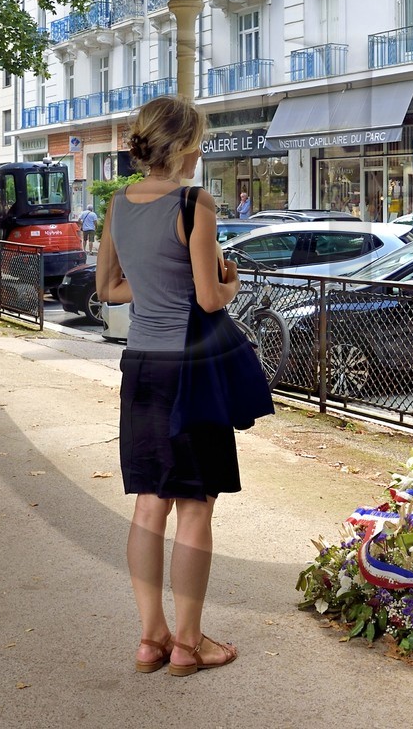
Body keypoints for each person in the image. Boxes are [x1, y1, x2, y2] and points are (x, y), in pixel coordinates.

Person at [95, 96, 242, 678]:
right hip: (191, 368)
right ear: (182, 147)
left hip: (142, 369)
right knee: (196, 507)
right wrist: (229, 285)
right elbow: (208, 298)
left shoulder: (117, 205)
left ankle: (150, 638)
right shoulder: (194, 202)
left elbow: (109, 288)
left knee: (148, 504)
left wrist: (156, 284)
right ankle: (188, 643)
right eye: (198, 140)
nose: (201, 150)